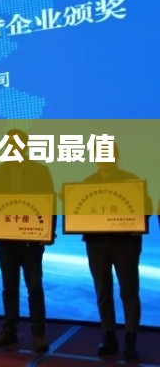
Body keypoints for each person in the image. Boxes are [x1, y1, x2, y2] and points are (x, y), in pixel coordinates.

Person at [76, 145, 152, 361]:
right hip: (96, 244)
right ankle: (109, 337)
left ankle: (130, 339)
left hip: (124, 244)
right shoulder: (87, 183)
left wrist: (138, 224)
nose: (102, 158)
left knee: (129, 291)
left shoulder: (131, 180)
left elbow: (146, 207)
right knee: (102, 291)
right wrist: (68, 200)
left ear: (115, 156)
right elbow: (78, 210)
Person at [0, 129, 54, 352]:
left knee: (34, 287)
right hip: (6, 240)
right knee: (9, 287)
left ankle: (38, 333)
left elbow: (49, 201)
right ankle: (9, 331)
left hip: (31, 240)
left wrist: (49, 231)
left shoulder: (40, 170)